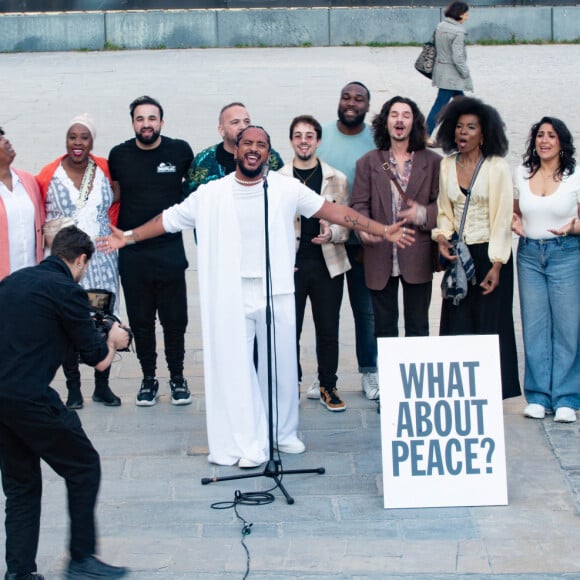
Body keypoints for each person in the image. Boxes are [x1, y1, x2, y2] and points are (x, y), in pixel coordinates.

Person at [98, 125, 414, 469]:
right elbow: (169, 220)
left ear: (268, 153)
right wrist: (128, 237)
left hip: (274, 290)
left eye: (260, 145)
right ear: (236, 150)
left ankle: (282, 432)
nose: (253, 149)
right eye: (247, 143)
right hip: (231, 292)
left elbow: (334, 212)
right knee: (236, 368)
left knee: (279, 365)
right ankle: (245, 441)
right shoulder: (211, 193)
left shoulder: (284, 188)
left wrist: (382, 230)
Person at [0, 226, 130, 580]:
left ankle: (20, 573)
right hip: (31, 399)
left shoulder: (13, 282)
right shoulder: (68, 290)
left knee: (21, 487)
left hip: (2, 399)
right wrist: (115, 339)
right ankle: (82, 561)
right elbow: (98, 360)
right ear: (80, 260)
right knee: (84, 466)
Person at [432, 96, 520, 399]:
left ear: (484, 134)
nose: (463, 133)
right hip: (460, 255)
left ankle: (492, 392)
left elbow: (501, 219)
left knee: (491, 325)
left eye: (471, 127)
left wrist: (496, 264)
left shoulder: (496, 168)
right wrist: (442, 238)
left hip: (490, 255)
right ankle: (459, 392)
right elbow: (444, 209)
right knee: (456, 323)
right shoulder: (446, 165)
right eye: (458, 127)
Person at [108, 96, 194, 407]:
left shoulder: (180, 151)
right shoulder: (119, 155)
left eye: (152, 118)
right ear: (133, 123)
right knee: (141, 322)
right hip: (132, 254)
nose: (146, 124)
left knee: (175, 321)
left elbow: (197, 189)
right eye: (140, 119)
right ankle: (148, 379)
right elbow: (112, 193)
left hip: (170, 251)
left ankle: (178, 378)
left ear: (162, 121)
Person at [36, 113, 122, 409]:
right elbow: (39, 212)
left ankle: (103, 386)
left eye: (84, 137)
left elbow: (118, 197)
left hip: (101, 262)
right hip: (64, 262)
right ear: (66, 140)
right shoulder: (50, 173)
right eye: (73, 136)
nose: (77, 142)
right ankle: (74, 389)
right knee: (66, 322)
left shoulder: (103, 170)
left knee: (102, 320)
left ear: (91, 142)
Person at [351, 96, 440, 344]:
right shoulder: (368, 162)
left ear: (414, 123)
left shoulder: (434, 163)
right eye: (394, 114)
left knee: (419, 327)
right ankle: (388, 381)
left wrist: (422, 214)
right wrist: (363, 230)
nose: (399, 119)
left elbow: (444, 207)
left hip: (418, 254)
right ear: (385, 122)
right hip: (379, 253)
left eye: (406, 115)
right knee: (384, 329)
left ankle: (415, 381)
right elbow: (358, 204)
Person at [279, 115, 351, 412]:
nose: (304, 141)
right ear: (292, 140)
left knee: (328, 328)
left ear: (318, 141)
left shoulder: (337, 178)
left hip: (328, 265)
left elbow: (346, 224)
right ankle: (290, 383)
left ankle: (327, 385)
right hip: (292, 267)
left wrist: (331, 232)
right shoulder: (279, 179)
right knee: (288, 329)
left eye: (310, 135)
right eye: (298, 135)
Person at [512, 117, 580, 422]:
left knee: (567, 327)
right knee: (535, 326)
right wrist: (514, 222)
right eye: (540, 135)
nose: (545, 140)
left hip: (566, 254)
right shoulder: (522, 172)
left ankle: (567, 397)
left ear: (561, 142)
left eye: (551, 135)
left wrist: (575, 226)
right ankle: (538, 395)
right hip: (529, 255)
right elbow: (514, 210)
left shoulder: (574, 176)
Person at [317, 81, 380, 400]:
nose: (351, 103)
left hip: (363, 243)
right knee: (325, 313)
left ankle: (370, 372)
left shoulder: (375, 140)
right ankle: (324, 376)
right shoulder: (321, 135)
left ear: (368, 106)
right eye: (346, 97)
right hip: (325, 240)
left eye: (359, 98)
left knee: (366, 311)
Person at [184, 102, 284, 194]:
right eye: (235, 122)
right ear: (221, 130)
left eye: (247, 121)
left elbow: (283, 190)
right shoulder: (203, 161)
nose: (243, 126)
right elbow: (189, 197)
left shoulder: (268, 156)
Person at [425, 1, 473, 147]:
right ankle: (425, 134)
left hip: (441, 71)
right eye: (466, 13)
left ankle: (451, 135)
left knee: (463, 105)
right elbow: (457, 58)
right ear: (459, 14)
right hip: (452, 75)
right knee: (441, 106)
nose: (467, 16)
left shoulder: (441, 26)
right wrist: (466, 73)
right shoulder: (458, 32)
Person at [0, 127, 44, 280]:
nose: (6, 140)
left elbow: (42, 225)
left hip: (32, 277)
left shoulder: (28, 180)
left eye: (3, 136)